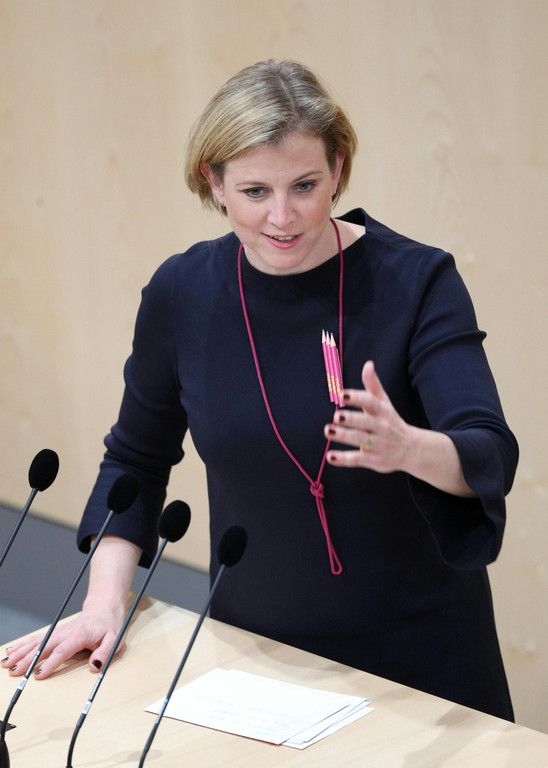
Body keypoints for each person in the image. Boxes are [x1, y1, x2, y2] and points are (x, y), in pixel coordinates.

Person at [2, 59, 517, 720]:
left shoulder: (416, 282)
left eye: (304, 185)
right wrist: (104, 603)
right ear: (213, 183)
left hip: (420, 666)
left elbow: (489, 452)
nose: (282, 216)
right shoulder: (183, 292)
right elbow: (134, 462)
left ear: (338, 169)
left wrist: (410, 448)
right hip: (255, 660)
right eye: (254, 191)